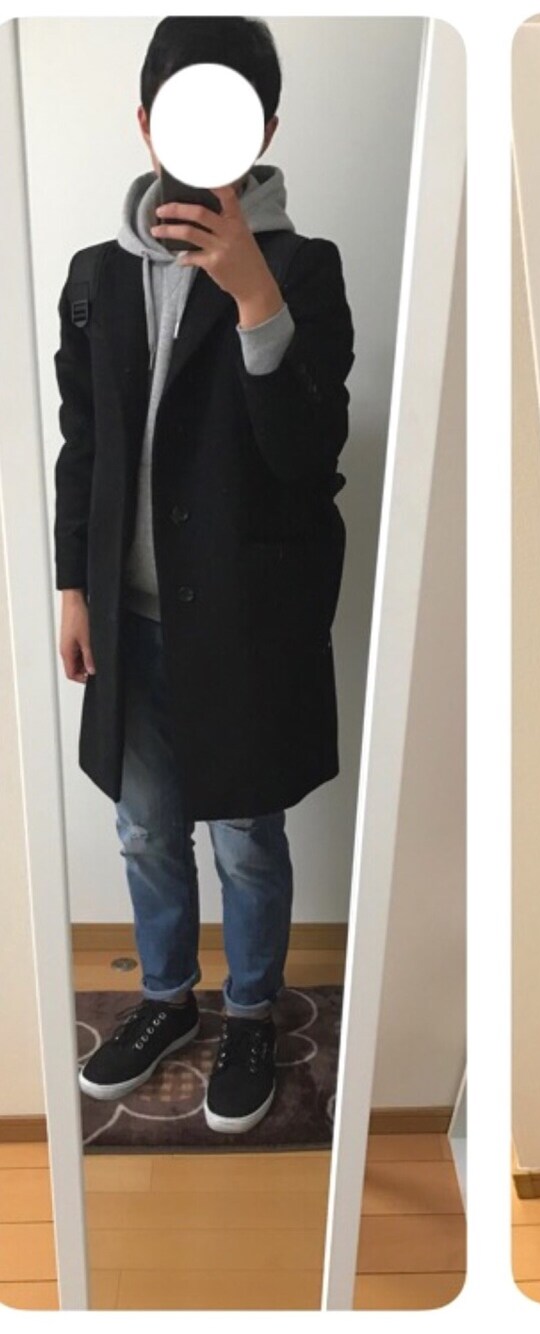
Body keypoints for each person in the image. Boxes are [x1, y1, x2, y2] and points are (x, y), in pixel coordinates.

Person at [54, 17, 354, 1134]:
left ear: (264, 129)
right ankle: (167, 996)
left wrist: (257, 299)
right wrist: (72, 586)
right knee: (144, 828)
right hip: (125, 613)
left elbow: (309, 455)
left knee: (244, 836)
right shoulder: (95, 276)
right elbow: (83, 443)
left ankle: (251, 1011)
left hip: (242, 619)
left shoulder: (305, 268)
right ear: (145, 123)